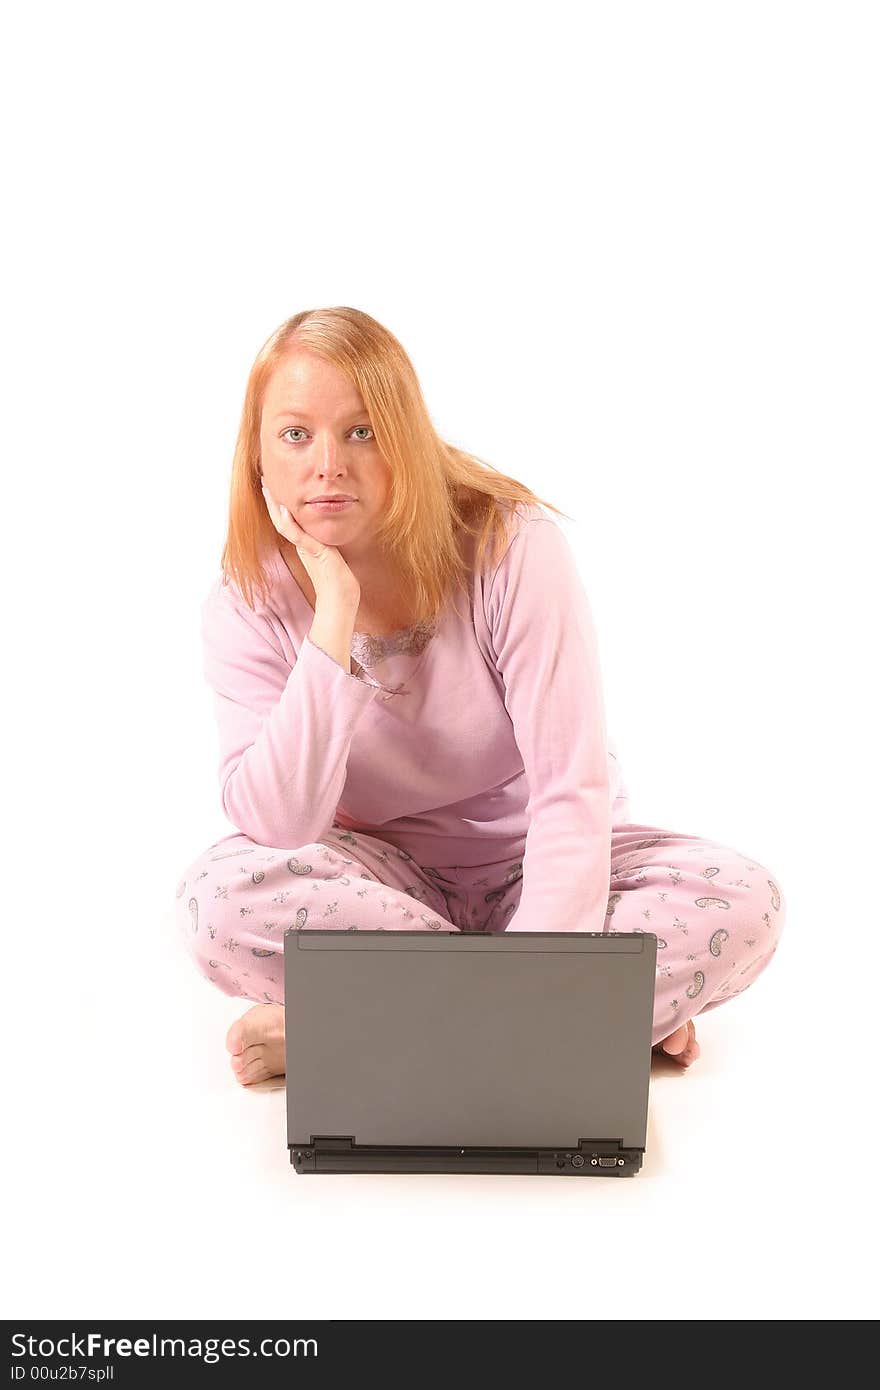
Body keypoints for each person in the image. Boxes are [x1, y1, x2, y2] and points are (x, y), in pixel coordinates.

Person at [174, 306, 787, 1087]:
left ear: (406, 437)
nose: (327, 463)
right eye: (296, 434)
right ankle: (585, 1020)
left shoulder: (509, 545)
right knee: (216, 903)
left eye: (361, 431)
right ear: (257, 456)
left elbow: (571, 790)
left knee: (743, 900)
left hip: (538, 860)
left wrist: (536, 960)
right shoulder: (243, 605)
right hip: (379, 878)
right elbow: (278, 823)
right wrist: (334, 612)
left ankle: (352, 1035)